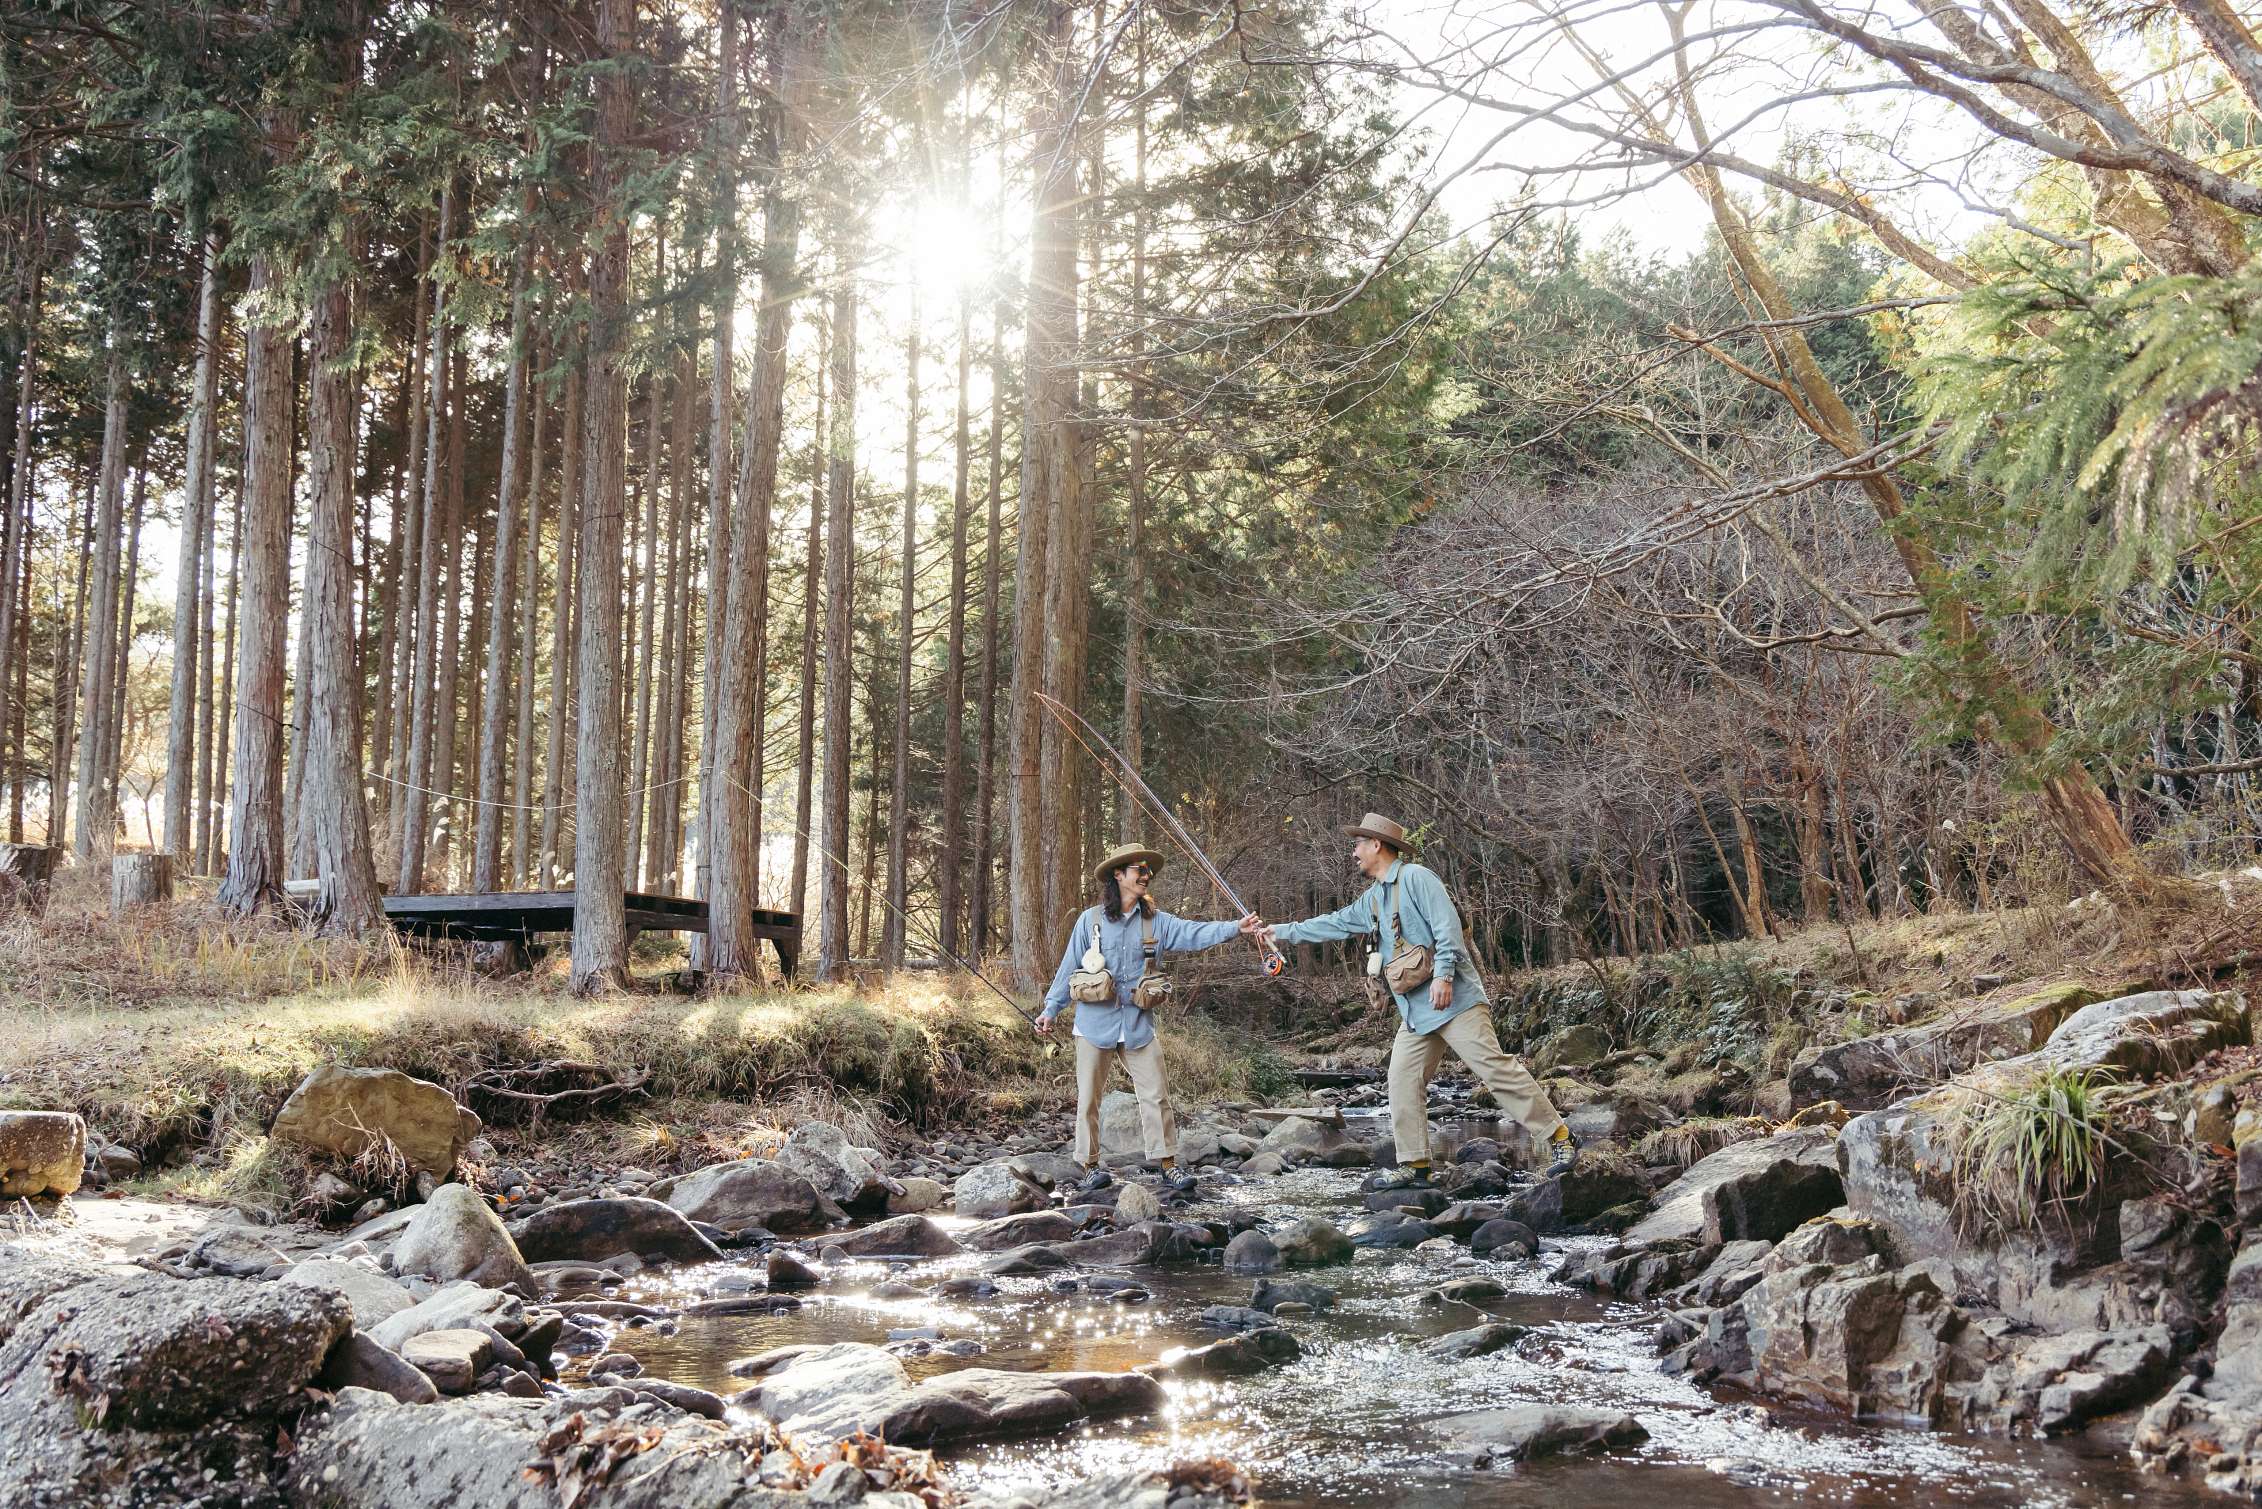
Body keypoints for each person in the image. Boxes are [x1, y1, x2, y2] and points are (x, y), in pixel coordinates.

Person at [1263, 812, 1578, 1187]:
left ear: (1377, 845)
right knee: (1401, 1080)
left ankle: (1561, 1139)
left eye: (1358, 845)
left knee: (1495, 1069)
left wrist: (1444, 975)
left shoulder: (1418, 878)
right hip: (1416, 1012)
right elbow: (1335, 922)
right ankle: (1416, 1166)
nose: (1354, 853)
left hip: (1455, 1001)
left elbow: (1447, 930)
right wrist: (1279, 931)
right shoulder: (1374, 898)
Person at [1039, 842, 1265, 1188]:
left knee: (1157, 1095)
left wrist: (1236, 928)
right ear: (1119, 875)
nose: (1146, 876)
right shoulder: (1090, 921)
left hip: (1138, 1027)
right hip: (1093, 1026)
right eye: (1139, 870)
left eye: (1148, 871)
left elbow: (1195, 932)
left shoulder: (1157, 922)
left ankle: (1168, 1163)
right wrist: (1050, 1010)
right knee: (1088, 1101)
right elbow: (1069, 966)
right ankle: (1088, 1167)